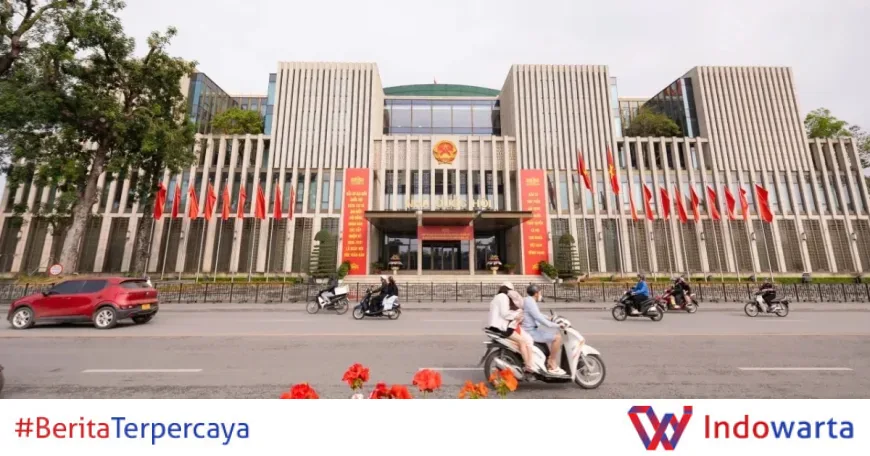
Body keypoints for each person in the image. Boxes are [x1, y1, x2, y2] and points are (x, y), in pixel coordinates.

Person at [487, 282, 534, 372]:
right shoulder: (503, 297)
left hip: (494, 326)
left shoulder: (497, 297)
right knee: (522, 341)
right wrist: (516, 315)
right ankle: (528, 365)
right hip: (500, 328)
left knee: (521, 341)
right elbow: (505, 314)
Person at [521, 285, 567, 375]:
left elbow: (537, 314)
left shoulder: (529, 300)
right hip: (530, 332)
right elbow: (538, 318)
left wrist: (549, 318)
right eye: (540, 293)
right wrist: (556, 325)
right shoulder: (530, 302)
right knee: (557, 338)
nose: (541, 295)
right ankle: (552, 362)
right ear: (536, 294)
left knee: (551, 333)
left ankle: (547, 359)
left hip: (531, 329)